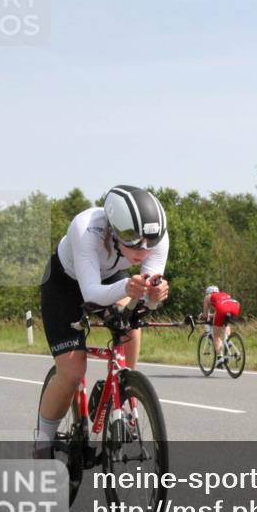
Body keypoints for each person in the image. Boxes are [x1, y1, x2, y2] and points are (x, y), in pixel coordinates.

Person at [35, 185, 170, 456]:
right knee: (72, 373)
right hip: (66, 284)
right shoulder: (86, 228)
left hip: (110, 278)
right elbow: (92, 294)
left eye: (149, 242)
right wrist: (128, 288)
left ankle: (125, 388)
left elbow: (145, 301)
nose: (143, 250)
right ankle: (43, 441)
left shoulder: (157, 238)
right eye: (132, 240)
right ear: (114, 228)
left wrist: (154, 297)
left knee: (130, 323)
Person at [201, 285, 241, 363]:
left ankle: (219, 358)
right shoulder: (224, 294)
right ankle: (228, 341)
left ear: (208, 292)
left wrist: (202, 317)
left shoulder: (208, 297)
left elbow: (205, 315)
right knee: (225, 323)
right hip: (235, 307)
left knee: (216, 336)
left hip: (222, 309)